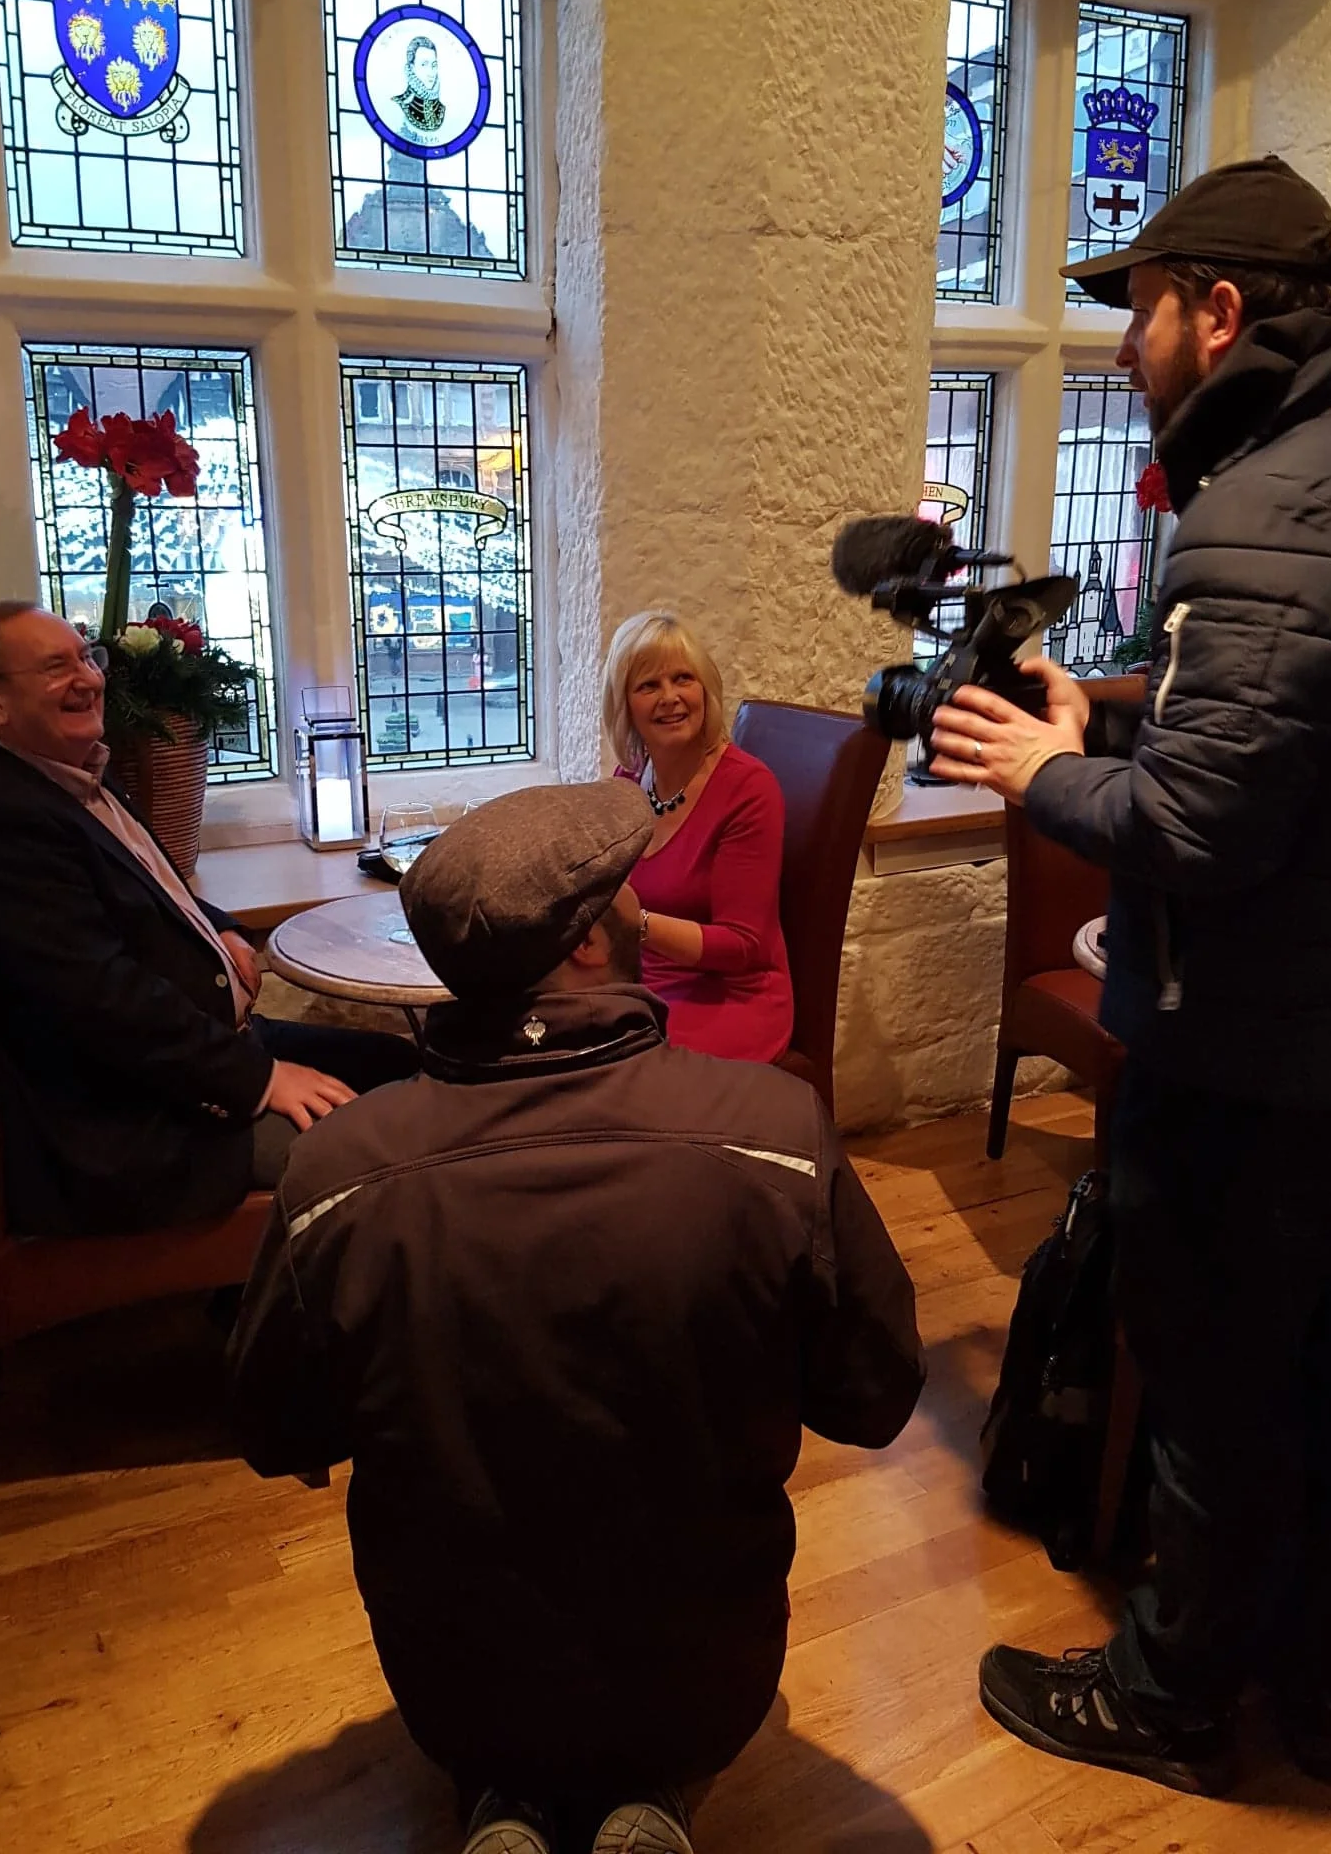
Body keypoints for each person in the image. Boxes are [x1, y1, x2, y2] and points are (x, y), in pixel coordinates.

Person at [928, 157, 1331, 1794]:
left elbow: (1201, 831)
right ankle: (1324, 1688)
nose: (1117, 349)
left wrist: (1031, 768)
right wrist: (1115, 707)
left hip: (1250, 1052)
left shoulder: (1263, 503)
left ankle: (1168, 1694)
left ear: (1215, 311)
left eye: (1133, 311)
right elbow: (1318, 746)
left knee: (1211, 1381)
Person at [228, 781, 924, 1854]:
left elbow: (278, 1428)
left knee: (486, 1674)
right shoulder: (773, 1134)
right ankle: (646, 1800)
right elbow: (874, 1398)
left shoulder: (336, 1173)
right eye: (629, 897)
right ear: (593, 948)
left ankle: (504, 1801)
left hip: (452, 1680)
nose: (644, 910)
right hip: (705, 1674)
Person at [0, 600, 415, 1236]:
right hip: (139, 1129)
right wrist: (262, 1080)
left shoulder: (68, 777)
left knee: (409, 1068)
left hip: (200, 1063)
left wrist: (224, 925)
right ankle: (314, 1315)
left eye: (86, 656)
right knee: (406, 1146)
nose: (89, 678)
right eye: (56, 666)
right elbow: (102, 1005)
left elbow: (151, 885)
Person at [601, 609, 793, 1062]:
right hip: (643, 983)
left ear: (705, 689)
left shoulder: (748, 788)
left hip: (730, 998)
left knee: (605, 1067)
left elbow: (744, 946)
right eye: (648, 685)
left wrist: (636, 921)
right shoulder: (628, 779)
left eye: (683, 678)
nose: (670, 698)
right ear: (625, 705)